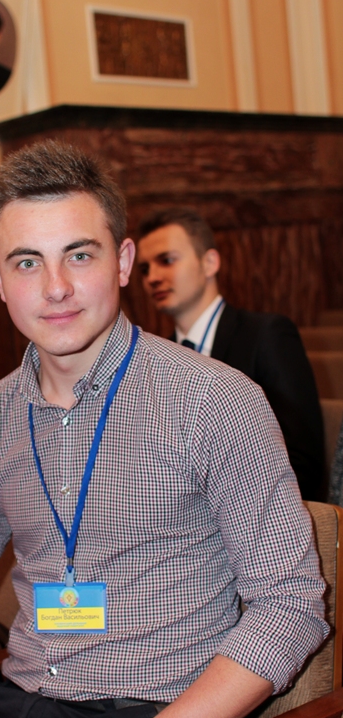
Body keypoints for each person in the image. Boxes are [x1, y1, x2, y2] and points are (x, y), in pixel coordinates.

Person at [0, 142, 327, 718]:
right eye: (27, 262)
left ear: (123, 262)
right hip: (15, 707)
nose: (56, 288)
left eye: (79, 255)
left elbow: (290, 607)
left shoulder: (216, 402)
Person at [137, 208, 324, 501]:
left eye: (167, 260)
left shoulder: (267, 334)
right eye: (144, 269)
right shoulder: (157, 357)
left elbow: (303, 461)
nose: (153, 277)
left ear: (210, 262)